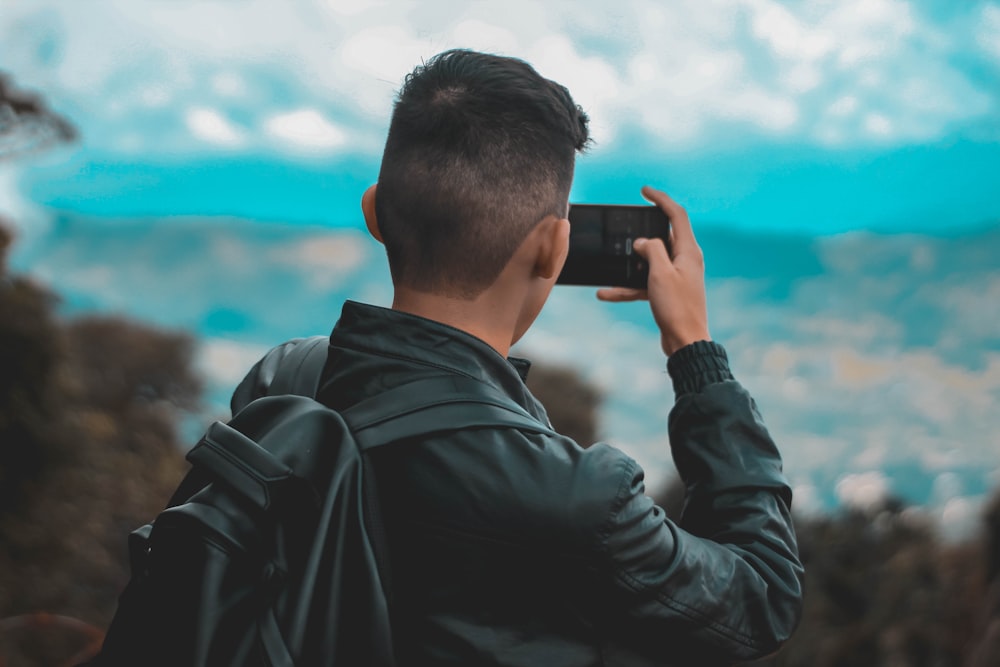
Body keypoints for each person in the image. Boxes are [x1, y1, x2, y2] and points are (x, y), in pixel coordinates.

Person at [233, 49, 803, 666]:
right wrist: (695, 353)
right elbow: (760, 595)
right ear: (554, 249)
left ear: (374, 212)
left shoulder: (279, 386)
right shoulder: (575, 497)